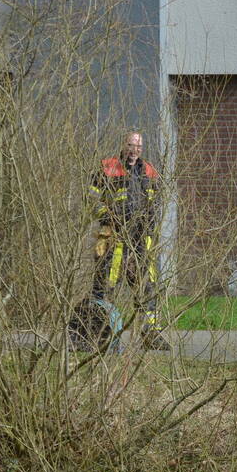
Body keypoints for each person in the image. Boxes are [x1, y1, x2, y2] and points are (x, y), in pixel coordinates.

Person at [77, 131, 168, 351]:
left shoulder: (150, 171)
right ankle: (99, 333)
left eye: (138, 146)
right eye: (130, 145)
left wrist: (151, 220)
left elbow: (158, 200)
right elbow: (90, 196)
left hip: (140, 239)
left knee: (148, 287)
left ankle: (150, 333)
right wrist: (106, 215)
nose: (134, 150)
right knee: (103, 286)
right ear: (123, 145)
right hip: (113, 237)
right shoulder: (107, 167)